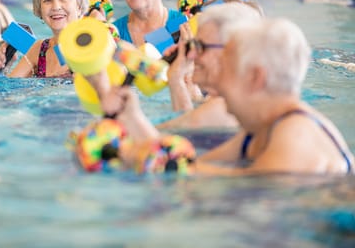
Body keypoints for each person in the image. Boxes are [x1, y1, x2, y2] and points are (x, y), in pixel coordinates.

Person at [111, 18, 354, 175]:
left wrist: (149, 159)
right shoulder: (260, 131)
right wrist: (131, 117)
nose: (219, 83)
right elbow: (196, 163)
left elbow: (236, 182)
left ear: (255, 78)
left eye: (228, 69)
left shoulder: (296, 137)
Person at [157, 0, 264, 129]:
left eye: (200, 45)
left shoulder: (222, 108)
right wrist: (179, 79)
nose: (191, 54)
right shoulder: (244, 96)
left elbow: (166, 140)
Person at [0, 0, 89, 78]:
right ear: (40, 8)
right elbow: (8, 91)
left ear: (79, 6)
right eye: (47, 0)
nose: (56, 7)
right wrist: (4, 67)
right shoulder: (39, 50)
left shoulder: (92, 46)